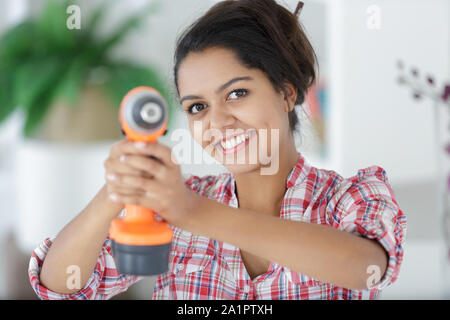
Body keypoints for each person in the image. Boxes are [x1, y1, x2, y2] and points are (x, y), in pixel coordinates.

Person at [28, 0, 407, 300]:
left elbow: (367, 269)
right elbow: (63, 287)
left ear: (287, 92)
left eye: (237, 93)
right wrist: (116, 189)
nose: (218, 122)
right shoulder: (172, 208)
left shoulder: (349, 198)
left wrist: (193, 213)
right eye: (198, 107)